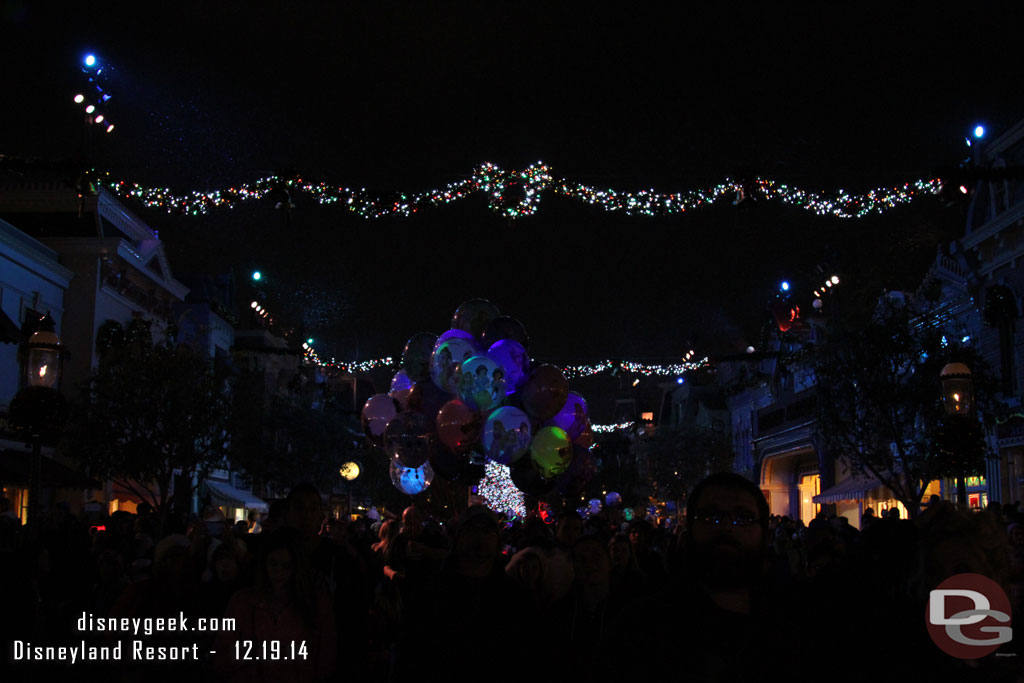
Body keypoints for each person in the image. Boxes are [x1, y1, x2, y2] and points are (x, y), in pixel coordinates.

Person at [214, 527, 335, 683]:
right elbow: (221, 655)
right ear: (264, 564)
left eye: (286, 566)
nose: (279, 572)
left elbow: (326, 661)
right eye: (273, 564)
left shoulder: (317, 603)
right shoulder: (242, 602)